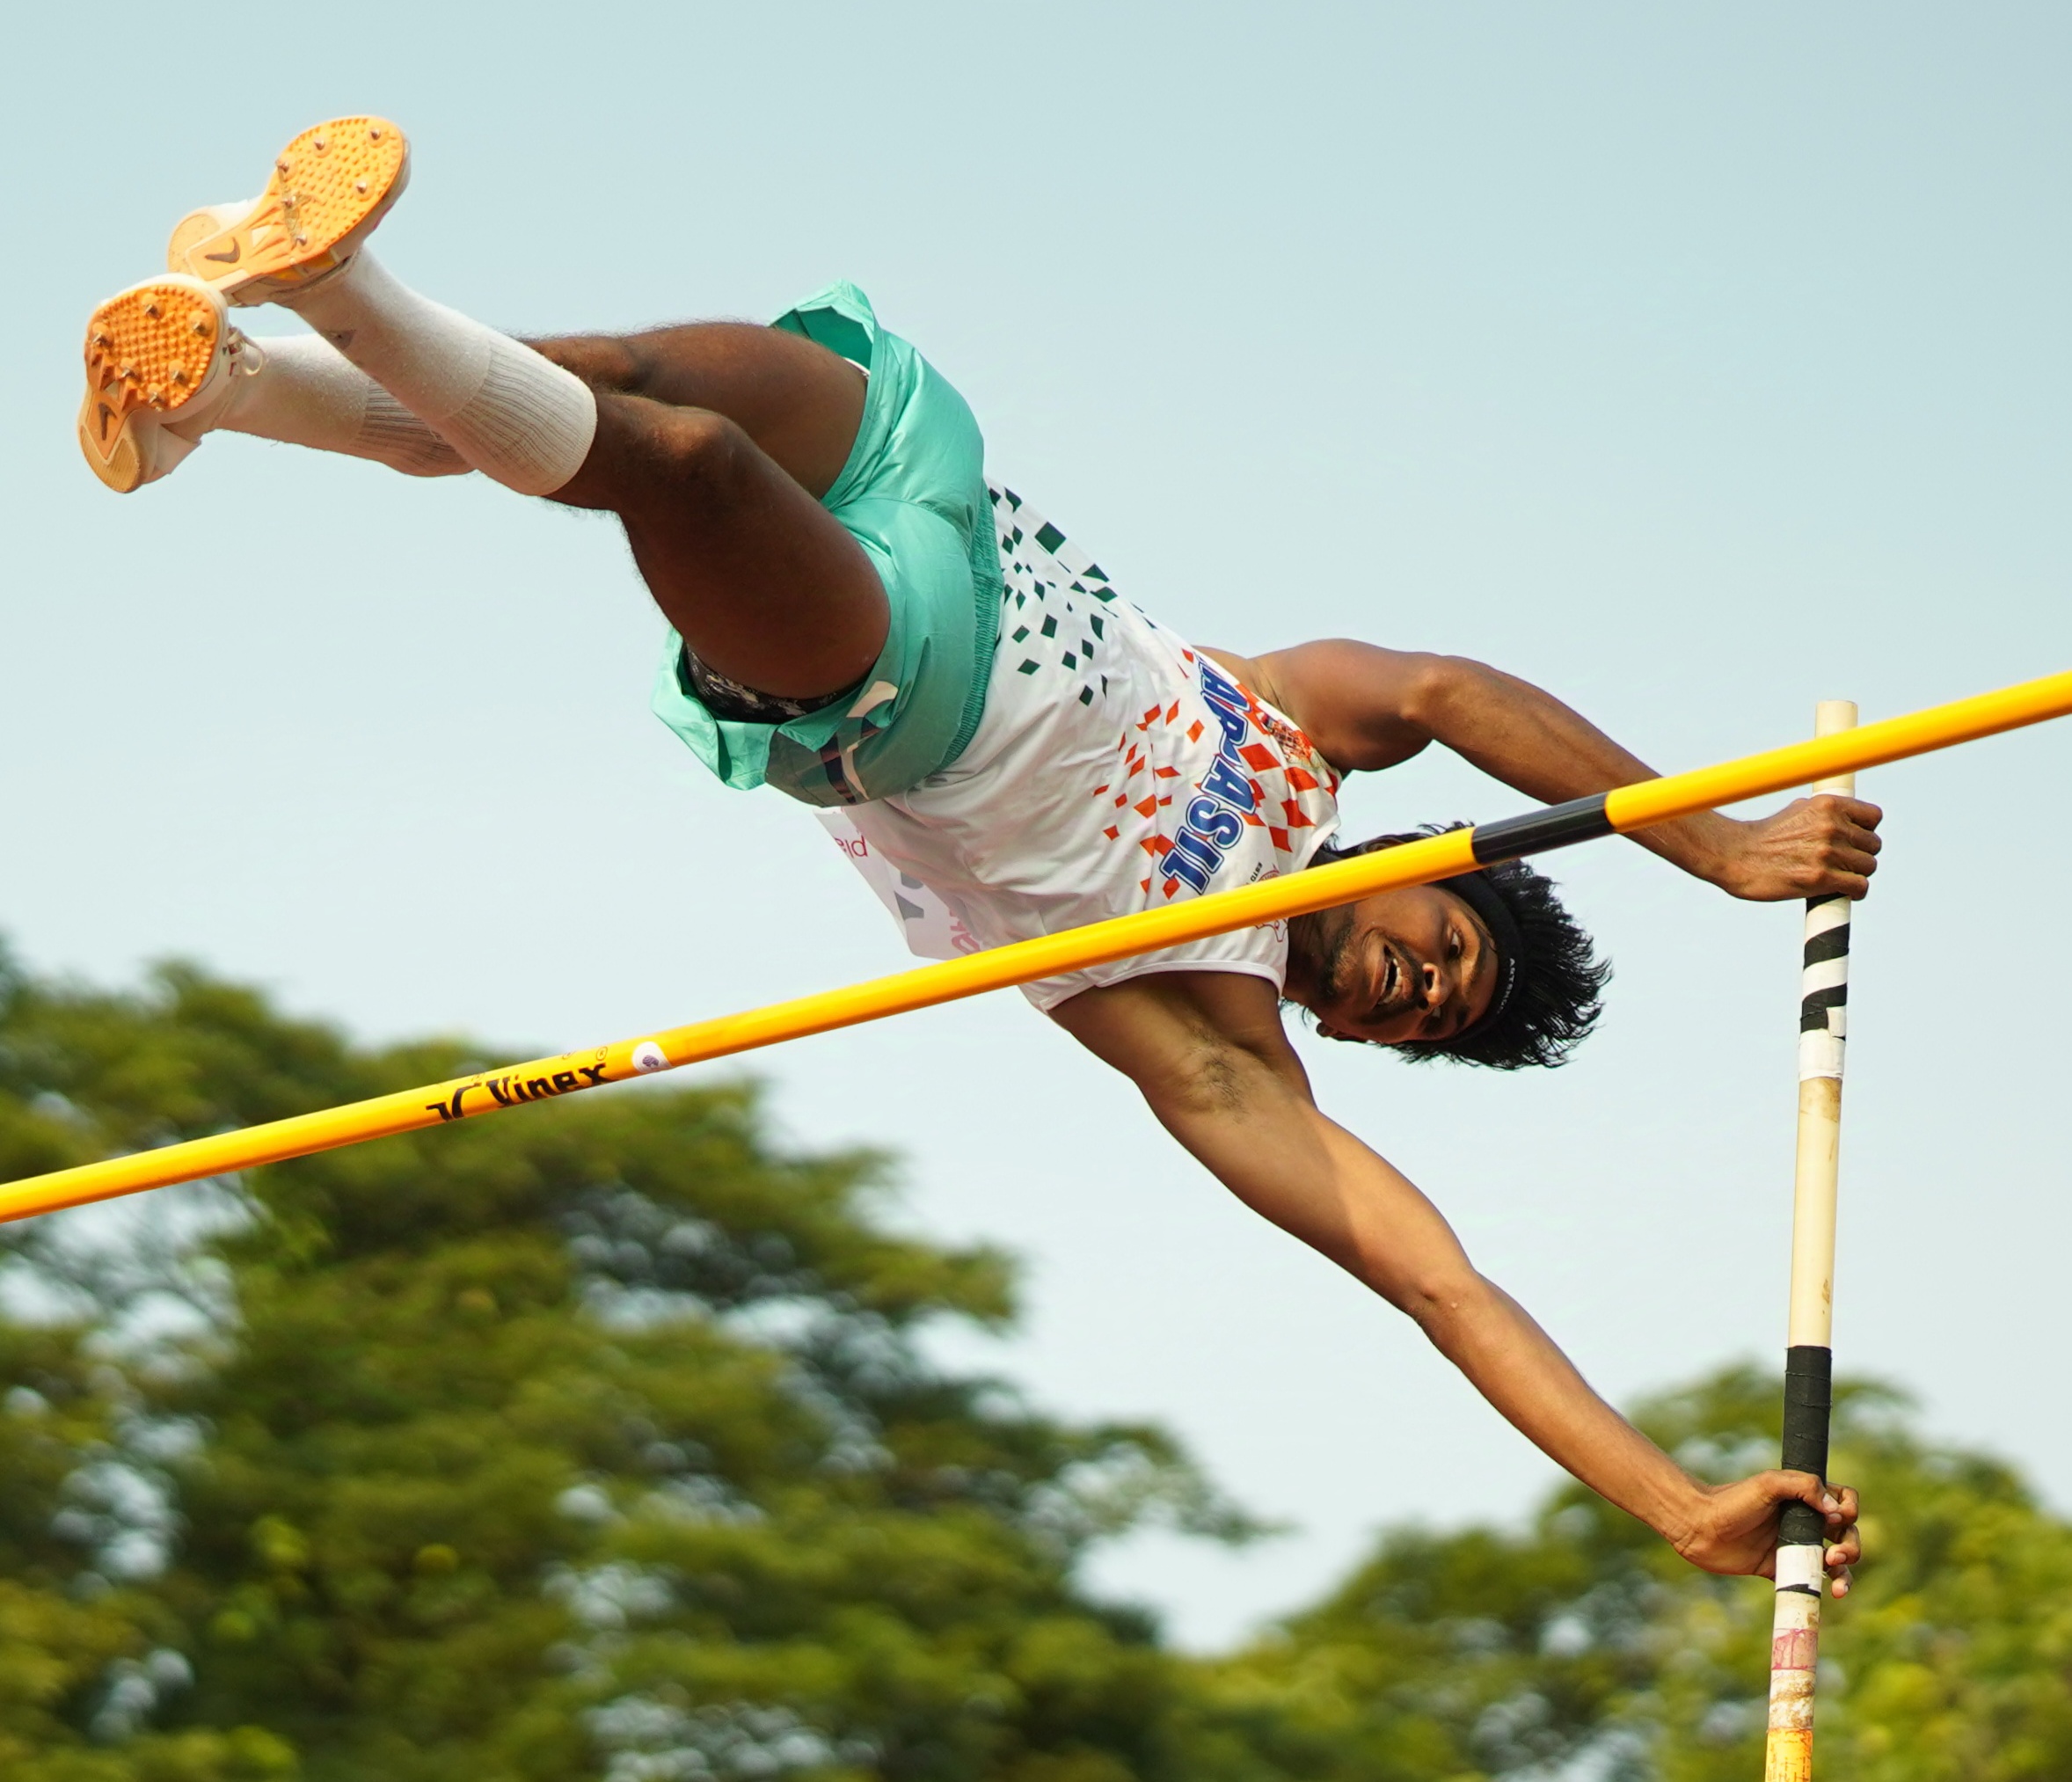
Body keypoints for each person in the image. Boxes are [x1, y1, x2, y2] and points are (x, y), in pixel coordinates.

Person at [79, 117, 1876, 1591]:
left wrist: (1668, 1505)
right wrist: (1712, 849)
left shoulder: (1207, 1032)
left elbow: (1439, 1282)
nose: (1413, 990)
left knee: (680, 459)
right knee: (607, 377)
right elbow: (1451, 683)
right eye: (1448, 953)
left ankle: (327, 295)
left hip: (888, 674)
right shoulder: (1315, 727)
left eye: (1417, 1025)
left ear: (1352, 1047)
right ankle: (233, 383)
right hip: (930, 471)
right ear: (1430, 861)